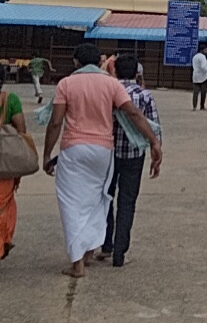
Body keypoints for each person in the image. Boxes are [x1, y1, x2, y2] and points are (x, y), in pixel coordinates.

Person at [42, 43, 162, 278]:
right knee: (97, 201)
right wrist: (153, 141)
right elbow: (133, 114)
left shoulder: (66, 84)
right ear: (100, 62)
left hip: (74, 149)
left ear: (76, 62)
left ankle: (78, 261)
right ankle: (88, 250)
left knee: (72, 203)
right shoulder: (110, 84)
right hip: (103, 151)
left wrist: (47, 154)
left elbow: (55, 122)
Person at [99, 53, 162, 268]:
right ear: (137, 73)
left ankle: (105, 244)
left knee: (105, 198)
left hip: (107, 154)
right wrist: (156, 148)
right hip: (134, 155)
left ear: (114, 71)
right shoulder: (144, 95)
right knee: (127, 202)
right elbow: (153, 125)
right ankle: (120, 253)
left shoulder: (107, 92)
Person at [0, 65, 29, 261]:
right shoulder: (11, 100)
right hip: (5, 162)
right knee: (4, 204)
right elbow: (22, 130)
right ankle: (3, 240)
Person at [192, 43, 207, 111]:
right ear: (202, 50)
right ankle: (202, 106)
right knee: (203, 92)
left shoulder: (195, 57)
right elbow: (203, 67)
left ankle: (194, 106)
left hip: (195, 76)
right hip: (203, 77)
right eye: (205, 50)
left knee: (195, 93)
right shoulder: (203, 57)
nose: (206, 52)